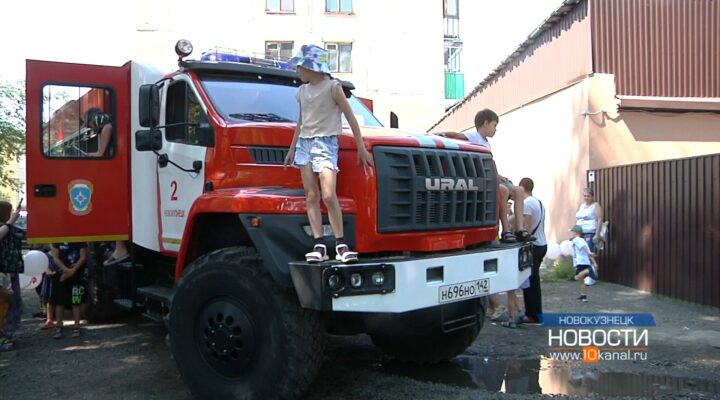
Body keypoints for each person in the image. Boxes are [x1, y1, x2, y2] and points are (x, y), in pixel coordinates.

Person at [283, 44, 373, 263]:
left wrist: (361, 146)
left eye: (300, 67)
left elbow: (350, 117)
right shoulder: (302, 92)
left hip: (326, 143)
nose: (297, 71)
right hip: (305, 144)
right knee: (311, 195)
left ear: (311, 67)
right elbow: (301, 120)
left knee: (329, 195)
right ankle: (319, 244)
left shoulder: (333, 87)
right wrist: (292, 148)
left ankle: (341, 244)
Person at [437, 109, 535, 243]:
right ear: (485, 123)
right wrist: (440, 134)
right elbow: (457, 135)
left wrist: (500, 176)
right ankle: (505, 230)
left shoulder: (487, 143)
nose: (496, 129)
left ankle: (519, 229)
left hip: (493, 177)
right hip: (484, 180)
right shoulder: (474, 136)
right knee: (504, 190)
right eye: (494, 125)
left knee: (519, 190)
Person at [83, 108, 130, 265]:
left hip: (117, 173)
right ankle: (119, 246)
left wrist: (94, 154)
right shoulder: (111, 122)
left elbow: (102, 149)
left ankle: (120, 247)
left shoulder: (103, 124)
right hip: (122, 171)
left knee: (114, 208)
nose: (90, 127)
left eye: (88, 124)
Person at [519, 177, 547, 324]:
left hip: (533, 245)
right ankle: (536, 313)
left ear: (522, 188)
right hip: (542, 243)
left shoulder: (527, 204)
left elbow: (527, 228)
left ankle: (532, 314)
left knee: (529, 281)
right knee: (534, 279)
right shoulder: (539, 202)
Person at [0, 200, 26, 351]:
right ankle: (3, 336)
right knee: (3, 305)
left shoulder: (12, 228)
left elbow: (26, 234)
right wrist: (11, 221)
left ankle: (9, 334)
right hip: (2, 274)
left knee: (14, 304)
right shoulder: (6, 227)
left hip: (11, 272)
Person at [49, 242, 88, 338]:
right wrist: (66, 270)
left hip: (77, 275)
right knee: (59, 302)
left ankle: (77, 327)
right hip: (60, 275)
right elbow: (55, 258)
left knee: (76, 301)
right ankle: (58, 326)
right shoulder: (57, 240)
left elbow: (83, 257)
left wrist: (73, 270)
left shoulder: (80, 240)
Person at [570, 225, 597, 302]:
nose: (571, 233)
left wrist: (589, 253)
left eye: (572, 231)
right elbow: (587, 251)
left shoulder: (576, 240)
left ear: (575, 232)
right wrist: (594, 262)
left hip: (581, 262)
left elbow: (585, 248)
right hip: (584, 261)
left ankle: (589, 270)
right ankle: (583, 296)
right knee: (581, 280)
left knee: (577, 277)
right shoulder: (582, 240)